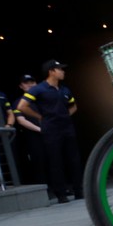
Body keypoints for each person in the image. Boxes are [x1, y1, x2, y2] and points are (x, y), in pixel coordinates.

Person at [18, 60, 81, 203]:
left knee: (74, 160)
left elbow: (74, 106)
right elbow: (22, 106)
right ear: (51, 71)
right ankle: (61, 195)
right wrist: (40, 117)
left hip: (67, 128)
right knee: (55, 161)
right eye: (60, 69)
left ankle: (79, 190)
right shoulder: (38, 89)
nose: (63, 71)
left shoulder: (65, 89)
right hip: (51, 129)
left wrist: (65, 116)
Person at [12, 73, 46, 186]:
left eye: (32, 82)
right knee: (39, 163)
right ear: (21, 86)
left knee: (55, 161)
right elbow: (21, 120)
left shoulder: (43, 98)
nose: (30, 85)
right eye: (26, 83)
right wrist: (40, 129)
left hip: (51, 135)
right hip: (33, 137)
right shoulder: (18, 102)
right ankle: (44, 190)